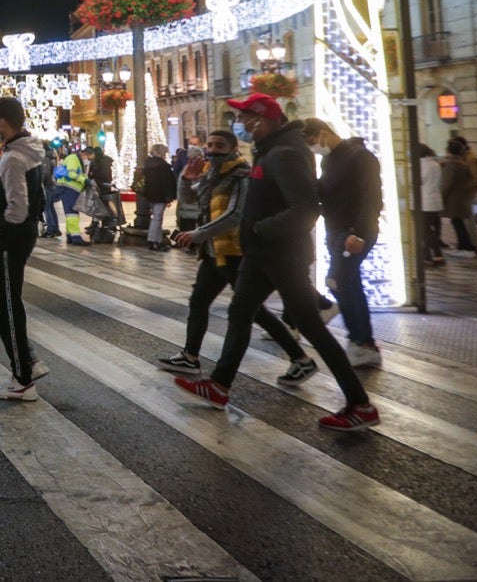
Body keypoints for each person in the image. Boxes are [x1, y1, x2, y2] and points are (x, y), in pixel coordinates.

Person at [175, 93, 379, 431]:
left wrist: (259, 228)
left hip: (281, 254)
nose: (239, 124)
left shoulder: (283, 154)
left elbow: (304, 208)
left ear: (261, 119)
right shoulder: (270, 150)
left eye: (244, 118)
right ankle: (219, 385)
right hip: (262, 253)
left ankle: (360, 404)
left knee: (311, 326)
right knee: (240, 312)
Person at [161, 129, 316, 385]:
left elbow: (235, 215)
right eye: (209, 145)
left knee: (254, 312)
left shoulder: (241, 175)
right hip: (213, 252)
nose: (212, 149)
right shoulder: (213, 174)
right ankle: (190, 356)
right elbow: (191, 204)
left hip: (235, 252)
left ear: (233, 148)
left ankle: (300, 359)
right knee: (199, 301)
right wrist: (185, 180)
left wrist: (198, 234)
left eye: (219, 145)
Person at [303, 118, 384, 368]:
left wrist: (358, 233)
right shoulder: (329, 159)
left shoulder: (360, 157)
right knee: (350, 283)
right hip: (335, 230)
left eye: (312, 141)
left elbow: (371, 198)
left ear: (324, 134)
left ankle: (360, 339)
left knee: (337, 281)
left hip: (355, 232)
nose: (313, 147)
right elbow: (327, 192)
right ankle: (364, 344)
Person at [0, 98, 47, 401]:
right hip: (19, 236)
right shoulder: (27, 151)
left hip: (13, 237)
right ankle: (27, 358)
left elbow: (18, 208)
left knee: (7, 302)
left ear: (3, 122)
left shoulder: (13, 159)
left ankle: (23, 378)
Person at [438, 138, 477, 257]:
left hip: (454, 199)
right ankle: (464, 247)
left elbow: (446, 184)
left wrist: (441, 198)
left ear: (448, 151)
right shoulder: (462, 163)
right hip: (460, 198)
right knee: (459, 222)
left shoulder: (452, 164)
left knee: (458, 223)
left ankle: (466, 248)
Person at [141, 144, 177, 251]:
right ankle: (153, 241)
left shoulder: (148, 164)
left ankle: (158, 241)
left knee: (157, 218)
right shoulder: (163, 166)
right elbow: (167, 183)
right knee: (157, 218)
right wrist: (169, 197)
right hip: (160, 195)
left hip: (150, 194)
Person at [53, 142, 89, 245]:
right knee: (72, 213)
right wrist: (84, 180)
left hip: (68, 189)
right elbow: (71, 173)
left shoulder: (75, 159)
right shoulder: (74, 159)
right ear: (83, 154)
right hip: (69, 189)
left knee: (70, 213)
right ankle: (76, 237)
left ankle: (70, 236)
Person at [416, 143, 445, 266]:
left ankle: (432, 255)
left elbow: (416, 181)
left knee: (425, 230)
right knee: (430, 229)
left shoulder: (419, 166)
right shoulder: (435, 164)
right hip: (434, 200)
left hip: (423, 202)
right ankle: (433, 255)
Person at [175, 146, 207, 237]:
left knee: (187, 228)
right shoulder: (189, 170)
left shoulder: (186, 169)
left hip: (188, 207)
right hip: (193, 207)